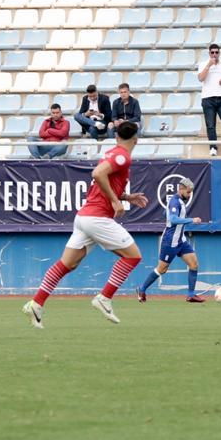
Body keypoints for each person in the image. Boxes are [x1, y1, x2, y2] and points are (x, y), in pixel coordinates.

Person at [22, 121, 148, 328]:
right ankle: (104, 297)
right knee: (133, 255)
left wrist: (125, 195)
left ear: (117, 137)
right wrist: (116, 201)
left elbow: (102, 180)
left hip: (84, 217)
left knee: (67, 264)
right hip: (97, 218)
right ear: (136, 140)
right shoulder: (122, 156)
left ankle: (36, 303)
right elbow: (97, 174)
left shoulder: (113, 152)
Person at [137, 177, 205, 303]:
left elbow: (166, 214)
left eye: (191, 192)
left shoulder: (179, 201)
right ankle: (142, 289)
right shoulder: (175, 202)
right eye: (188, 192)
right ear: (181, 189)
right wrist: (192, 220)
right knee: (162, 269)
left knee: (194, 264)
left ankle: (191, 295)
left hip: (181, 240)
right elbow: (173, 220)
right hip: (170, 241)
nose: (190, 195)